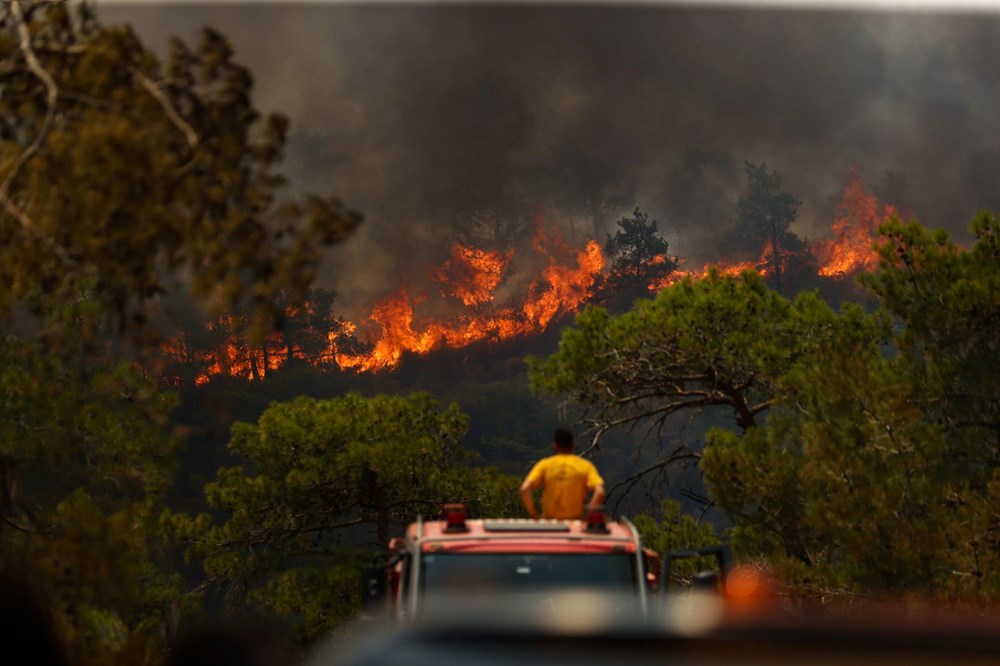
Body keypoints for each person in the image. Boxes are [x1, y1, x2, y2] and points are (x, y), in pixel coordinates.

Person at [519, 428, 606, 520]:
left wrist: (534, 516)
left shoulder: (544, 465)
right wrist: (587, 516)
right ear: (573, 445)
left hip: (550, 524)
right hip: (575, 523)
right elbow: (600, 492)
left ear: (555, 446)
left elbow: (524, 489)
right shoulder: (586, 466)